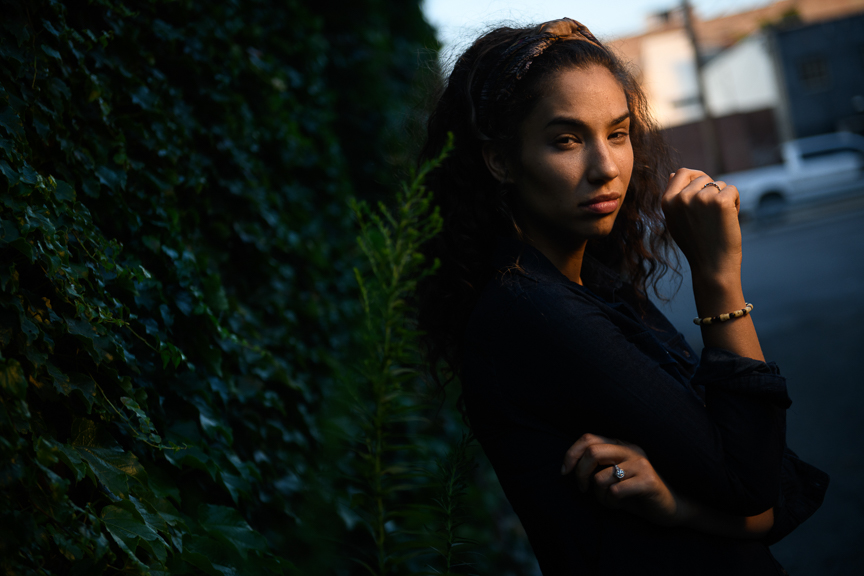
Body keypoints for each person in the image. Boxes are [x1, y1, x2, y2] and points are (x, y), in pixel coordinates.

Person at [416, 17, 829, 575]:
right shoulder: (532, 310)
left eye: (617, 133)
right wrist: (717, 277)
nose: (606, 168)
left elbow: (772, 500)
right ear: (501, 161)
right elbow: (751, 483)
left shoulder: (591, 288)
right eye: (566, 140)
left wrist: (675, 504)